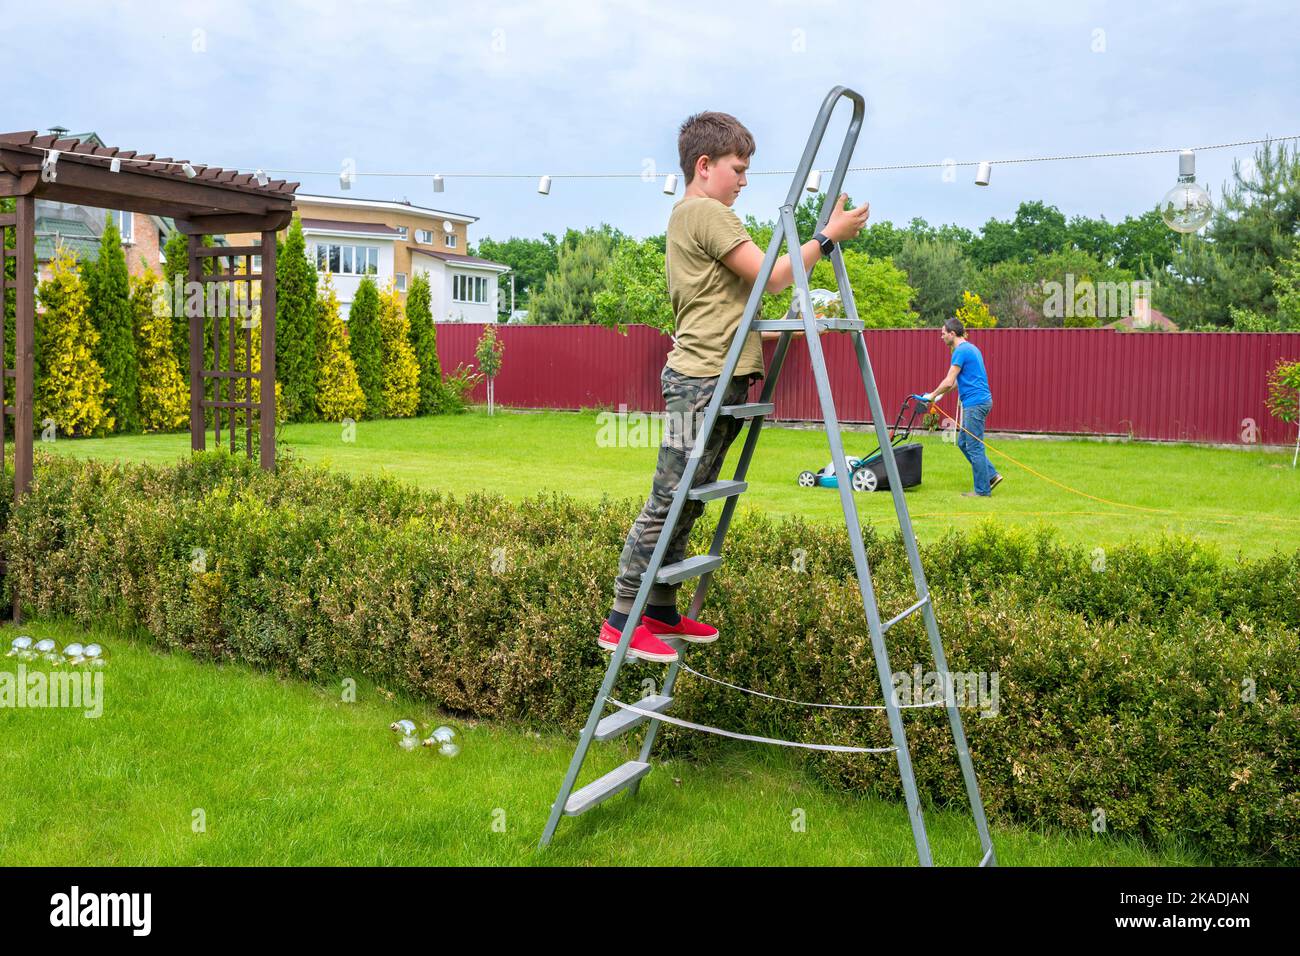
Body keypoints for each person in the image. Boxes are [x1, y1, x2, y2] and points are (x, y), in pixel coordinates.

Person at [600, 110, 871, 662]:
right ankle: (620, 620)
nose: (744, 181)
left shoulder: (692, 215)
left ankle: (661, 611)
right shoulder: (708, 212)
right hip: (701, 379)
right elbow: (773, 277)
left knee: (689, 502)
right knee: (668, 501)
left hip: (715, 376)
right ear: (705, 166)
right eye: (738, 168)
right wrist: (828, 236)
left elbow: (737, 297)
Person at [920, 317, 1003, 498]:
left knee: (974, 446)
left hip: (975, 404)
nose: (941, 337)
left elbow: (949, 380)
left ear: (952, 333)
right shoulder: (971, 349)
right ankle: (991, 475)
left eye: (943, 334)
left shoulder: (960, 351)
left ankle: (982, 491)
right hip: (980, 401)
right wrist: (940, 395)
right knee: (963, 442)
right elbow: (958, 382)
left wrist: (931, 396)